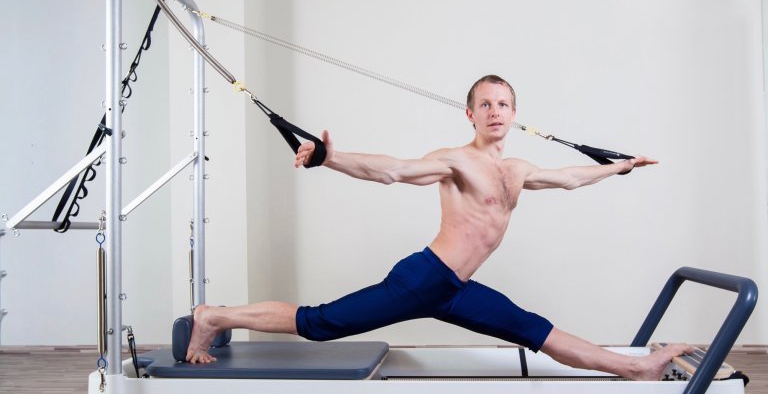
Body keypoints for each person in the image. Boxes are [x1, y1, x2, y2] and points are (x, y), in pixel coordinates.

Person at [186, 75, 692, 379]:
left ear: (515, 114)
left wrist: (618, 166)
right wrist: (331, 159)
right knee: (320, 325)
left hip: (455, 289)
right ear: (470, 113)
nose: (495, 111)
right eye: (486, 104)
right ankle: (214, 316)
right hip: (423, 280)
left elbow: (570, 178)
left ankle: (636, 368)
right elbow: (391, 170)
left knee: (534, 330)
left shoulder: (517, 170)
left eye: (503, 104)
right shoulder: (455, 161)